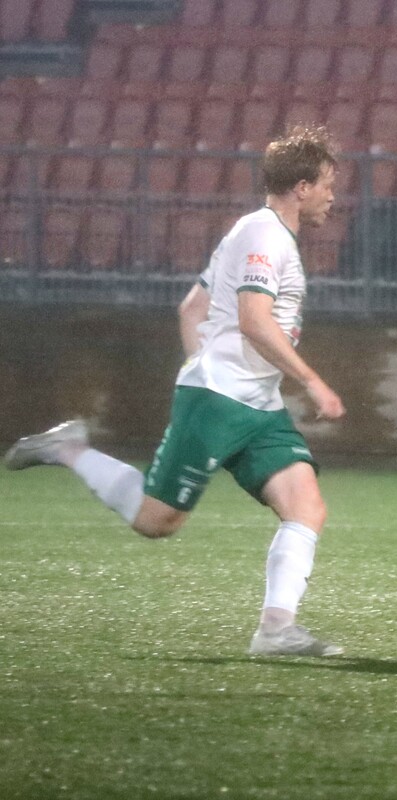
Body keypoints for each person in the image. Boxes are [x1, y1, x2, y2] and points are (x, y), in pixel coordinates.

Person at [4, 125, 346, 657]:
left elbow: (192, 308)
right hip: (220, 401)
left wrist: (201, 362)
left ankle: (276, 630)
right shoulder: (265, 237)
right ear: (301, 188)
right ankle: (68, 449)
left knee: (307, 506)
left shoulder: (255, 233)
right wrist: (311, 380)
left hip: (258, 404)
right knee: (156, 521)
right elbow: (254, 321)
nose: (332, 196)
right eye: (327, 184)